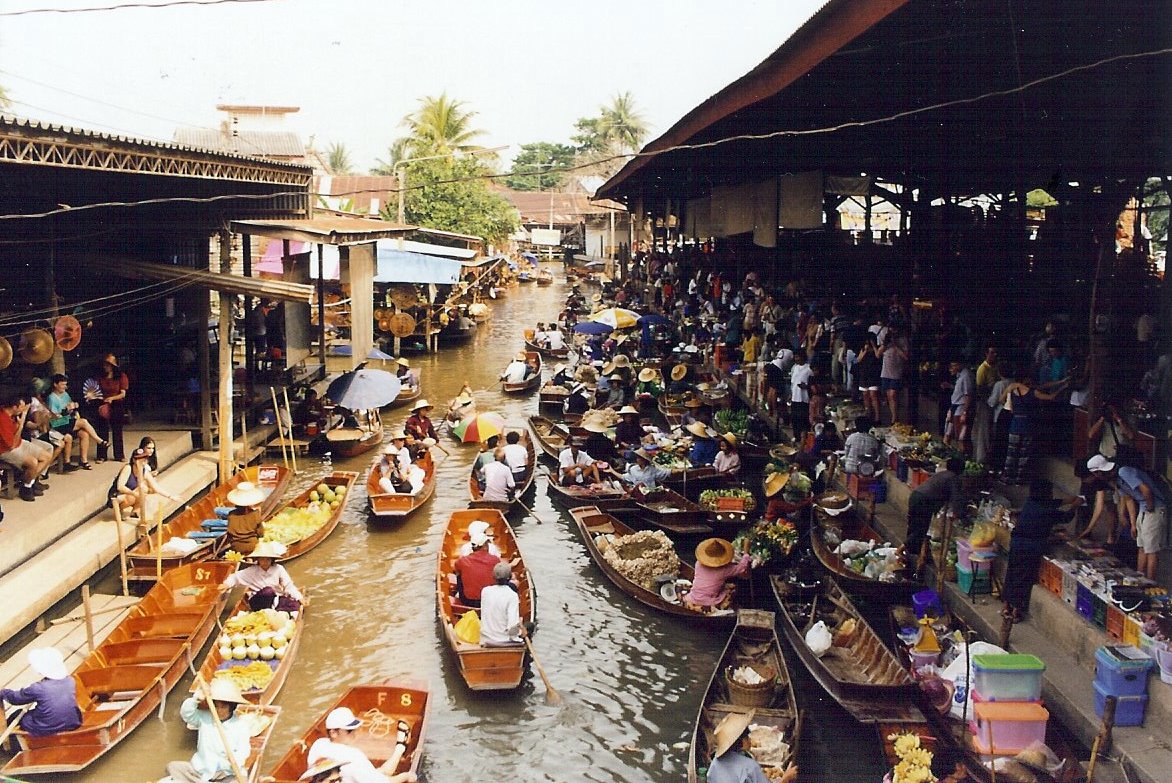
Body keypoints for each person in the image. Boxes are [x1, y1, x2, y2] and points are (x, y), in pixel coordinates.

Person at [1002, 479, 1081, 623]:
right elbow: (1065, 517)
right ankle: (1016, 611)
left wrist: (1067, 500)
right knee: (1024, 577)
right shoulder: (1046, 511)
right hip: (1030, 547)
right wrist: (1074, 506)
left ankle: (1006, 606)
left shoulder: (1031, 503)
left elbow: (1052, 504)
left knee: (1012, 573)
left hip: (1017, 543)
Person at [1091, 455, 1167, 580]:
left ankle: (1150, 583)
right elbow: (1128, 499)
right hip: (1144, 510)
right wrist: (1132, 523)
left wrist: (1150, 508)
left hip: (1153, 508)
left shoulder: (1124, 472)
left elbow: (1146, 491)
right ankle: (1140, 579)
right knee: (1141, 546)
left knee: (1151, 550)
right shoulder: (1116, 480)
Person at [164, 679, 252, 783]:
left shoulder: (240, 726)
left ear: (231, 708)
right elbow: (187, 714)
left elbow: (243, 751)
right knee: (172, 766)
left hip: (224, 773)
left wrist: (228, 764)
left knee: (240, 779)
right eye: (216, 706)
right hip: (201, 770)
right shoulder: (204, 717)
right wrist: (196, 699)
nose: (219, 710)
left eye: (223, 707)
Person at [306, 707, 418, 783]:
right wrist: (406, 776)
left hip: (350, 778)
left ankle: (400, 748)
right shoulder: (354, 756)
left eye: (354, 729)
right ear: (333, 733)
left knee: (380, 772)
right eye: (349, 730)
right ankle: (400, 747)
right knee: (386, 774)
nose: (355, 733)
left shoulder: (318, 745)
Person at [0, 647, 81, 736]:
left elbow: (15, 699)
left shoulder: (38, 688)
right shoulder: (70, 681)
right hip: (73, 722)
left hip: (46, 726)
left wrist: (4, 692)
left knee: (18, 714)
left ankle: (6, 740)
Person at [906, 456, 967, 575]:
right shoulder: (953, 478)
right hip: (924, 501)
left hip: (916, 496)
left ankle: (914, 556)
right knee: (920, 530)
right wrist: (959, 515)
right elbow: (956, 499)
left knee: (914, 527)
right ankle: (901, 552)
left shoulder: (943, 474)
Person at [705, 709, 798, 783]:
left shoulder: (715, 762)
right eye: (747, 737)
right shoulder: (749, 766)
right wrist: (786, 777)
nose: (749, 740)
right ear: (740, 742)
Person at [219, 541, 304, 612]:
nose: (265, 562)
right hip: (258, 601)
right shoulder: (252, 571)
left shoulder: (278, 569)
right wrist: (227, 585)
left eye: (268, 559)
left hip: (275, 599)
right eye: (262, 559)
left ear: (272, 560)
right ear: (258, 559)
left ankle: (275, 610)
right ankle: (272, 610)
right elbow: (235, 577)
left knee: (295, 606)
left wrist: (299, 598)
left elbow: (288, 586)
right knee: (268, 591)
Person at [0, 393, 54, 502]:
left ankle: (28, 483)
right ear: (14, 407)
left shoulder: (12, 415)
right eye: (21, 406)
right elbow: (12, 445)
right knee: (33, 462)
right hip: (6, 450)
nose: (23, 409)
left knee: (46, 456)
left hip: (18, 442)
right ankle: (26, 487)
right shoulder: (2, 419)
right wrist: (21, 424)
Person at [45, 374, 103, 470]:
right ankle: (99, 440)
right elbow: (55, 416)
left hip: (67, 421)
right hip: (57, 423)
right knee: (83, 422)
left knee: (84, 433)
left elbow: (71, 408)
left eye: (65, 384)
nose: (65, 387)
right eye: (63, 385)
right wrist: (66, 409)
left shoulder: (65, 394)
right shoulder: (51, 398)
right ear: (55, 384)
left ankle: (84, 461)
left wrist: (74, 406)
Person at [685, 538, 753, 611]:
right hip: (709, 602)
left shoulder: (698, 563)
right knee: (731, 589)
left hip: (693, 597)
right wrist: (746, 552)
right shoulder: (724, 570)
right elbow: (742, 567)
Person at [108, 447, 177, 518]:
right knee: (134, 495)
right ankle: (120, 510)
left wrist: (170, 496)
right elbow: (120, 487)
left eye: (144, 459)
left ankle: (135, 511)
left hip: (132, 493)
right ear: (134, 460)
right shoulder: (128, 468)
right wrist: (134, 493)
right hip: (118, 495)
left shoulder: (144, 471)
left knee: (145, 488)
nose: (143, 461)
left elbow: (155, 487)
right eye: (140, 459)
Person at [90, 353, 129, 463]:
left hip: (116, 404)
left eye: (108, 365)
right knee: (102, 430)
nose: (105, 367)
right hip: (103, 404)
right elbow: (95, 390)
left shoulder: (121, 376)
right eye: (105, 365)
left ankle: (119, 455)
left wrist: (112, 398)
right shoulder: (100, 377)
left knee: (117, 430)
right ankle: (102, 455)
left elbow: (123, 394)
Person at [479, 561, 523, 647]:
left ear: (494, 577)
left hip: (485, 639)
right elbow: (512, 628)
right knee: (530, 626)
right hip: (504, 641)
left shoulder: (485, 591)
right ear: (510, 577)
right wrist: (521, 631)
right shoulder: (512, 595)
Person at [453, 529, 501, 607]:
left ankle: (459, 592)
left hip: (467, 601)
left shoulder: (462, 561)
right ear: (485, 546)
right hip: (490, 601)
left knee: (459, 573)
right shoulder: (495, 560)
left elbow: (456, 570)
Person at [224, 481, 267, 556]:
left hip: (236, 547)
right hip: (253, 546)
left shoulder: (231, 515)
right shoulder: (255, 514)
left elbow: (229, 535)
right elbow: (261, 533)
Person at [877, 325, 909, 424]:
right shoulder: (886, 341)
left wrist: (895, 345)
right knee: (888, 395)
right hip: (886, 371)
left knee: (893, 394)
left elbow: (905, 356)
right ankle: (893, 416)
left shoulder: (903, 340)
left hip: (897, 371)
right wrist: (885, 344)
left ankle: (895, 417)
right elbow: (878, 354)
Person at [943, 359, 975, 453]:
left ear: (960, 364)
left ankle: (963, 457)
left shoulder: (966, 376)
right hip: (954, 406)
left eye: (954, 366)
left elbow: (968, 395)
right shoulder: (959, 375)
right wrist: (950, 386)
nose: (951, 369)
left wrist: (964, 412)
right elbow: (960, 391)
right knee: (948, 434)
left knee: (961, 437)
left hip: (961, 408)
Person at [855, 334, 882, 424]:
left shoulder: (876, 349)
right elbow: (858, 360)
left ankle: (877, 417)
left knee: (873, 395)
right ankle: (868, 414)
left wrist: (874, 346)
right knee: (865, 395)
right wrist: (865, 351)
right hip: (864, 375)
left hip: (873, 375)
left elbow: (878, 357)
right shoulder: (863, 349)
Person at [788, 349, 812, 440]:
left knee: (803, 418)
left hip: (804, 398)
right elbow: (792, 382)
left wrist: (806, 386)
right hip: (795, 397)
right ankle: (796, 436)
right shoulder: (794, 368)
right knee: (795, 418)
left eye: (797, 357)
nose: (796, 359)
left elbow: (812, 383)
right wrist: (791, 393)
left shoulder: (809, 369)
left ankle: (804, 437)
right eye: (795, 357)